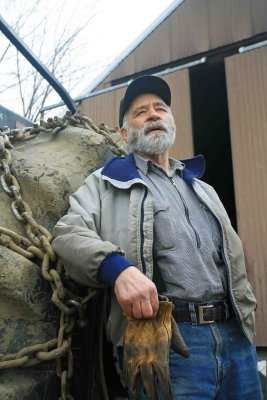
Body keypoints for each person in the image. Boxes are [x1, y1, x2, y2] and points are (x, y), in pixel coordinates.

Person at [52, 75, 262, 399]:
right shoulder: (106, 183)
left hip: (236, 338)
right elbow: (67, 233)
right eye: (140, 112)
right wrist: (117, 269)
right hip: (169, 344)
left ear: (171, 121)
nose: (153, 114)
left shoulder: (202, 188)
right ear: (125, 133)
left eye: (160, 108)